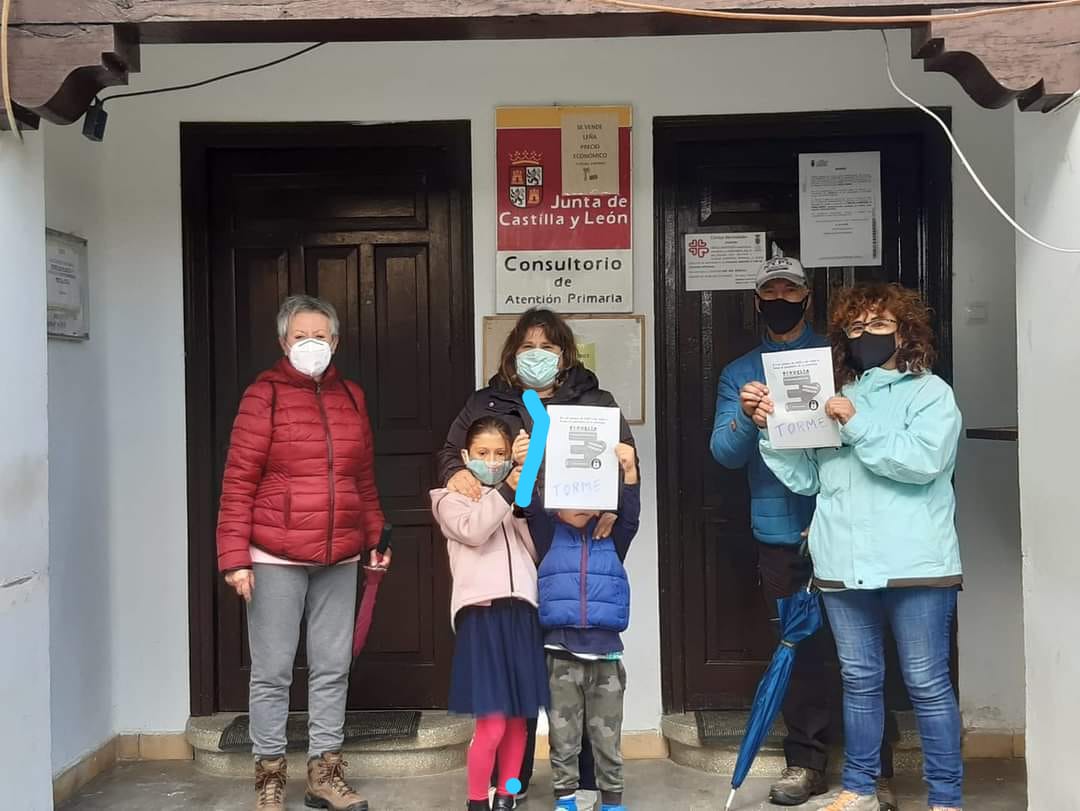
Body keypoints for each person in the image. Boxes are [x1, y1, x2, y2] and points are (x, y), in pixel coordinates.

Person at [757, 283, 964, 811]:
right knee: (859, 679)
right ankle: (858, 787)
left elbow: (922, 463)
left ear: (904, 331)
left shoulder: (930, 393)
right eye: (856, 327)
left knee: (926, 681)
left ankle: (945, 798)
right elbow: (807, 480)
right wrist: (771, 429)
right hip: (842, 562)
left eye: (878, 324)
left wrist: (854, 421)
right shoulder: (837, 394)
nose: (866, 335)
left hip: (916, 562)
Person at [709, 257, 898, 809]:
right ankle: (805, 763)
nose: (780, 296)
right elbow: (723, 453)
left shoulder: (843, 359)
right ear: (757, 301)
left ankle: (877, 770)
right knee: (800, 648)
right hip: (779, 532)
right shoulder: (740, 371)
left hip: (849, 524)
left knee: (866, 649)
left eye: (790, 288)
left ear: (807, 298)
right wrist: (748, 417)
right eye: (771, 290)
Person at [438, 307, 635, 802]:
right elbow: (451, 453)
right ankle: (512, 780)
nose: (537, 356)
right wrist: (452, 475)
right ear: (511, 354)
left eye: (548, 347)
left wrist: (614, 503)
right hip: (522, 548)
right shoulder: (488, 402)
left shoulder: (597, 401)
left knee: (584, 664)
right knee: (522, 679)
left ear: (566, 355)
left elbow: (624, 462)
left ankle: (586, 782)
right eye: (527, 347)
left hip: (576, 550)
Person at [217, 295, 391, 811]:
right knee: (272, 670)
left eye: (321, 335)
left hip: (338, 555)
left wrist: (376, 536)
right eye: (301, 336)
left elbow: (362, 478)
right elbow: (238, 480)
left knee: (333, 666)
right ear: (283, 342)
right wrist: (234, 557)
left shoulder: (352, 397)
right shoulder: (262, 396)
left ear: (335, 342)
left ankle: (325, 773)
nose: (311, 344)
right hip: (273, 555)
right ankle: (270, 777)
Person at [430, 416, 550, 811]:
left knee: (519, 719)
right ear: (465, 456)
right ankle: (477, 800)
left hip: (522, 615)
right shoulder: (450, 499)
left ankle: (508, 794)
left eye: (500, 454)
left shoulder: (512, 501)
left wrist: (520, 500)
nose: (492, 460)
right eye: (483, 453)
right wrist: (504, 492)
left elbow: (533, 550)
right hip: (481, 616)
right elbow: (474, 531)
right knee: (493, 722)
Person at [524, 443, 640, 811]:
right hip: (560, 655)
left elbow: (632, 515)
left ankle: (612, 802)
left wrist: (630, 472)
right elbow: (527, 500)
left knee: (607, 738)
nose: (581, 502)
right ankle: (565, 800)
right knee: (563, 737)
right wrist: (527, 461)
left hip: (606, 657)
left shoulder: (612, 535)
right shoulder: (546, 533)